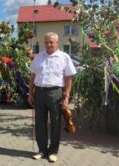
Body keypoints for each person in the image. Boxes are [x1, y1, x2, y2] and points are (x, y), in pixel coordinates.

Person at [28, 32, 77, 163]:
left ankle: (53, 152)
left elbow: (68, 78)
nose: (48, 44)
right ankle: (42, 150)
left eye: (51, 42)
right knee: (40, 123)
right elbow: (32, 76)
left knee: (55, 123)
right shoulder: (38, 57)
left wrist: (66, 96)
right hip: (39, 92)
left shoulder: (64, 57)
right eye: (46, 42)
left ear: (57, 42)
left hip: (55, 93)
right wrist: (31, 93)